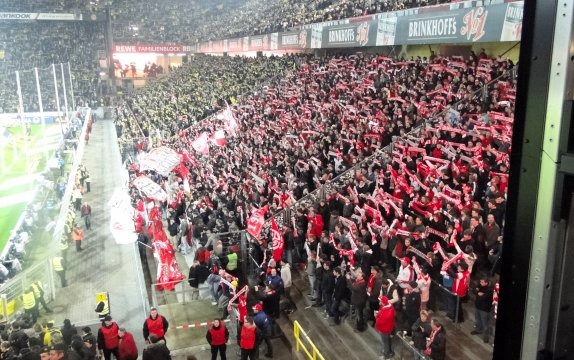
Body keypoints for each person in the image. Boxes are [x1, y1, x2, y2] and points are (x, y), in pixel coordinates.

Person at [471, 277, 494, 343]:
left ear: (486, 283)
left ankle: (486, 336)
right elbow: (473, 290)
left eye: (482, 282)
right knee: (477, 320)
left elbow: (483, 298)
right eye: (480, 282)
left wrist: (477, 292)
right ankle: (478, 330)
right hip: (478, 306)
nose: (480, 283)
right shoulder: (480, 286)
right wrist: (478, 292)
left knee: (485, 323)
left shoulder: (489, 290)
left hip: (484, 309)